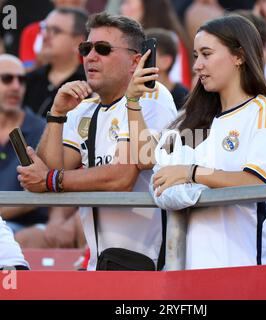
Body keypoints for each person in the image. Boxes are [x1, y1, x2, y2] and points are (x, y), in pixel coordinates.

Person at [125, 14, 266, 269]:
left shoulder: (261, 110)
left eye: (206, 54)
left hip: (242, 266)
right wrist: (133, 102)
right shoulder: (194, 116)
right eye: (195, 56)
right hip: (186, 267)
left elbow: (258, 181)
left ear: (239, 56)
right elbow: (145, 158)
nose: (197, 65)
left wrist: (191, 173)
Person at [17, 12, 177, 270]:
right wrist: (56, 115)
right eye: (86, 48)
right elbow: (49, 170)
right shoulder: (83, 108)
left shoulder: (152, 96)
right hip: (99, 261)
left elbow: (122, 177)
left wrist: (51, 179)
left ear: (135, 62)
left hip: (149, 264)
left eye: (103, 49)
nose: (90, 56)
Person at [0, 54, 47, 233]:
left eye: (22, 80)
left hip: (27, 228)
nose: (16, 87)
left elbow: (42, 189)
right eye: (7, 79)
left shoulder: (42, 129)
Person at [23, 7, 88, 117]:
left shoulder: (89, 85)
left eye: (55, 31)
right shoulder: (28, 81)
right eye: (45, 29)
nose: (45, 36)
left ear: (78, 42)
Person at [120, 0, 192, 89]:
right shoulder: (130, 39)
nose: (122, 8)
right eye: (123, 3)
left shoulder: (170, 39)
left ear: (148, 6)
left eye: (128, 3)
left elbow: (179, 81)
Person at [19, 0, 88, 71]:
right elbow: (25, 71)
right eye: (47, 29)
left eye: (56, 31)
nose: (69, 1)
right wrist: (39, 63)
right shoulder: (33, 31)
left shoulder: (94, 31)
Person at [145, 28, 189, 110]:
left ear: (166, 62)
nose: (141, 59)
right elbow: (134, 123)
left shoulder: (183, 97)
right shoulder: (136, 94)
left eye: (147, 55)